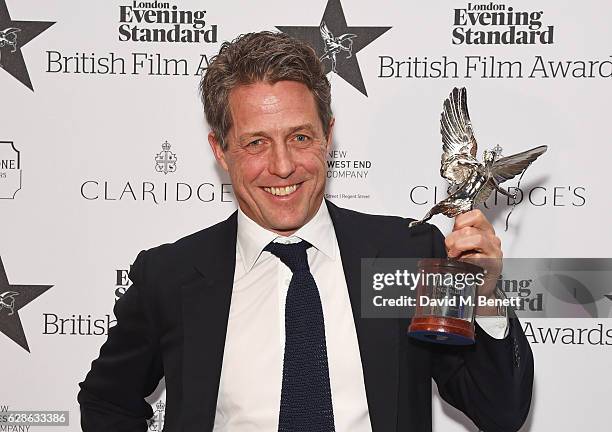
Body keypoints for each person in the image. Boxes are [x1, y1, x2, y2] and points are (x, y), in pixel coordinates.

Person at [78, 31, 533, 432]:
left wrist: (488, 297)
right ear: (220, 149)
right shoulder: (171, 275)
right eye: (256, 142)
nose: (282, 166)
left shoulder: (407, 255)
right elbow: (107, 401)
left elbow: (500, 411)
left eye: (299, 137)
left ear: (327, 135)